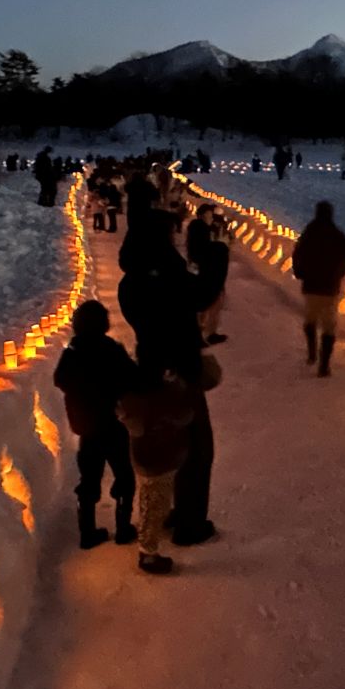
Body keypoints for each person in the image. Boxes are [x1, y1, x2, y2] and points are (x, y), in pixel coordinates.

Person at [119, 208, 217, 546]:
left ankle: (176, 510)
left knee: (172, 440)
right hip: (180, 370)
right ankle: (190, 523)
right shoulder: (167, 276)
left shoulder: (131, 280)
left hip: (151, 367)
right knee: (198, 446)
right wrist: (217, 256)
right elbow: (202, 294)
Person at [54, 301, 139, 550]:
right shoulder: (111, 349)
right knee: (124, 473)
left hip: (86, 427)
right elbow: (130, 378)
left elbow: (60, 379)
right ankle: (123, 528)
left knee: (89, 477)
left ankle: (87, 532)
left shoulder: (71, 353)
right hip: (113, 423)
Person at [117, 353, 197, 574]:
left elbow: (129, 420)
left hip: (145, 459)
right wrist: (177, 387)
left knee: (150, 497)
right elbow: (186, 415)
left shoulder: (131, 398)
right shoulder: (165, 397)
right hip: (162, 460)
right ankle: (148, 553)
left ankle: (151, 532)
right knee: (154, 503)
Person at [292, 201, 345, 376]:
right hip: (330, 288)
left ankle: (311, 352)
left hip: (310, 286)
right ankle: (324, 364)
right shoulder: (338, 235)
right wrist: (338, 275)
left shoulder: (309, 233)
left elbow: (298, 255)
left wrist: (300, 273)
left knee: (310, 319)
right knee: (329, 326)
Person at [188, 213, 230, 346]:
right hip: (212, 283)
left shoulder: (194, 248)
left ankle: (198, 333)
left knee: (202, 310)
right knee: (212, 309)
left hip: (203, 280)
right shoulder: (214, 249)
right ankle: (208, 334)